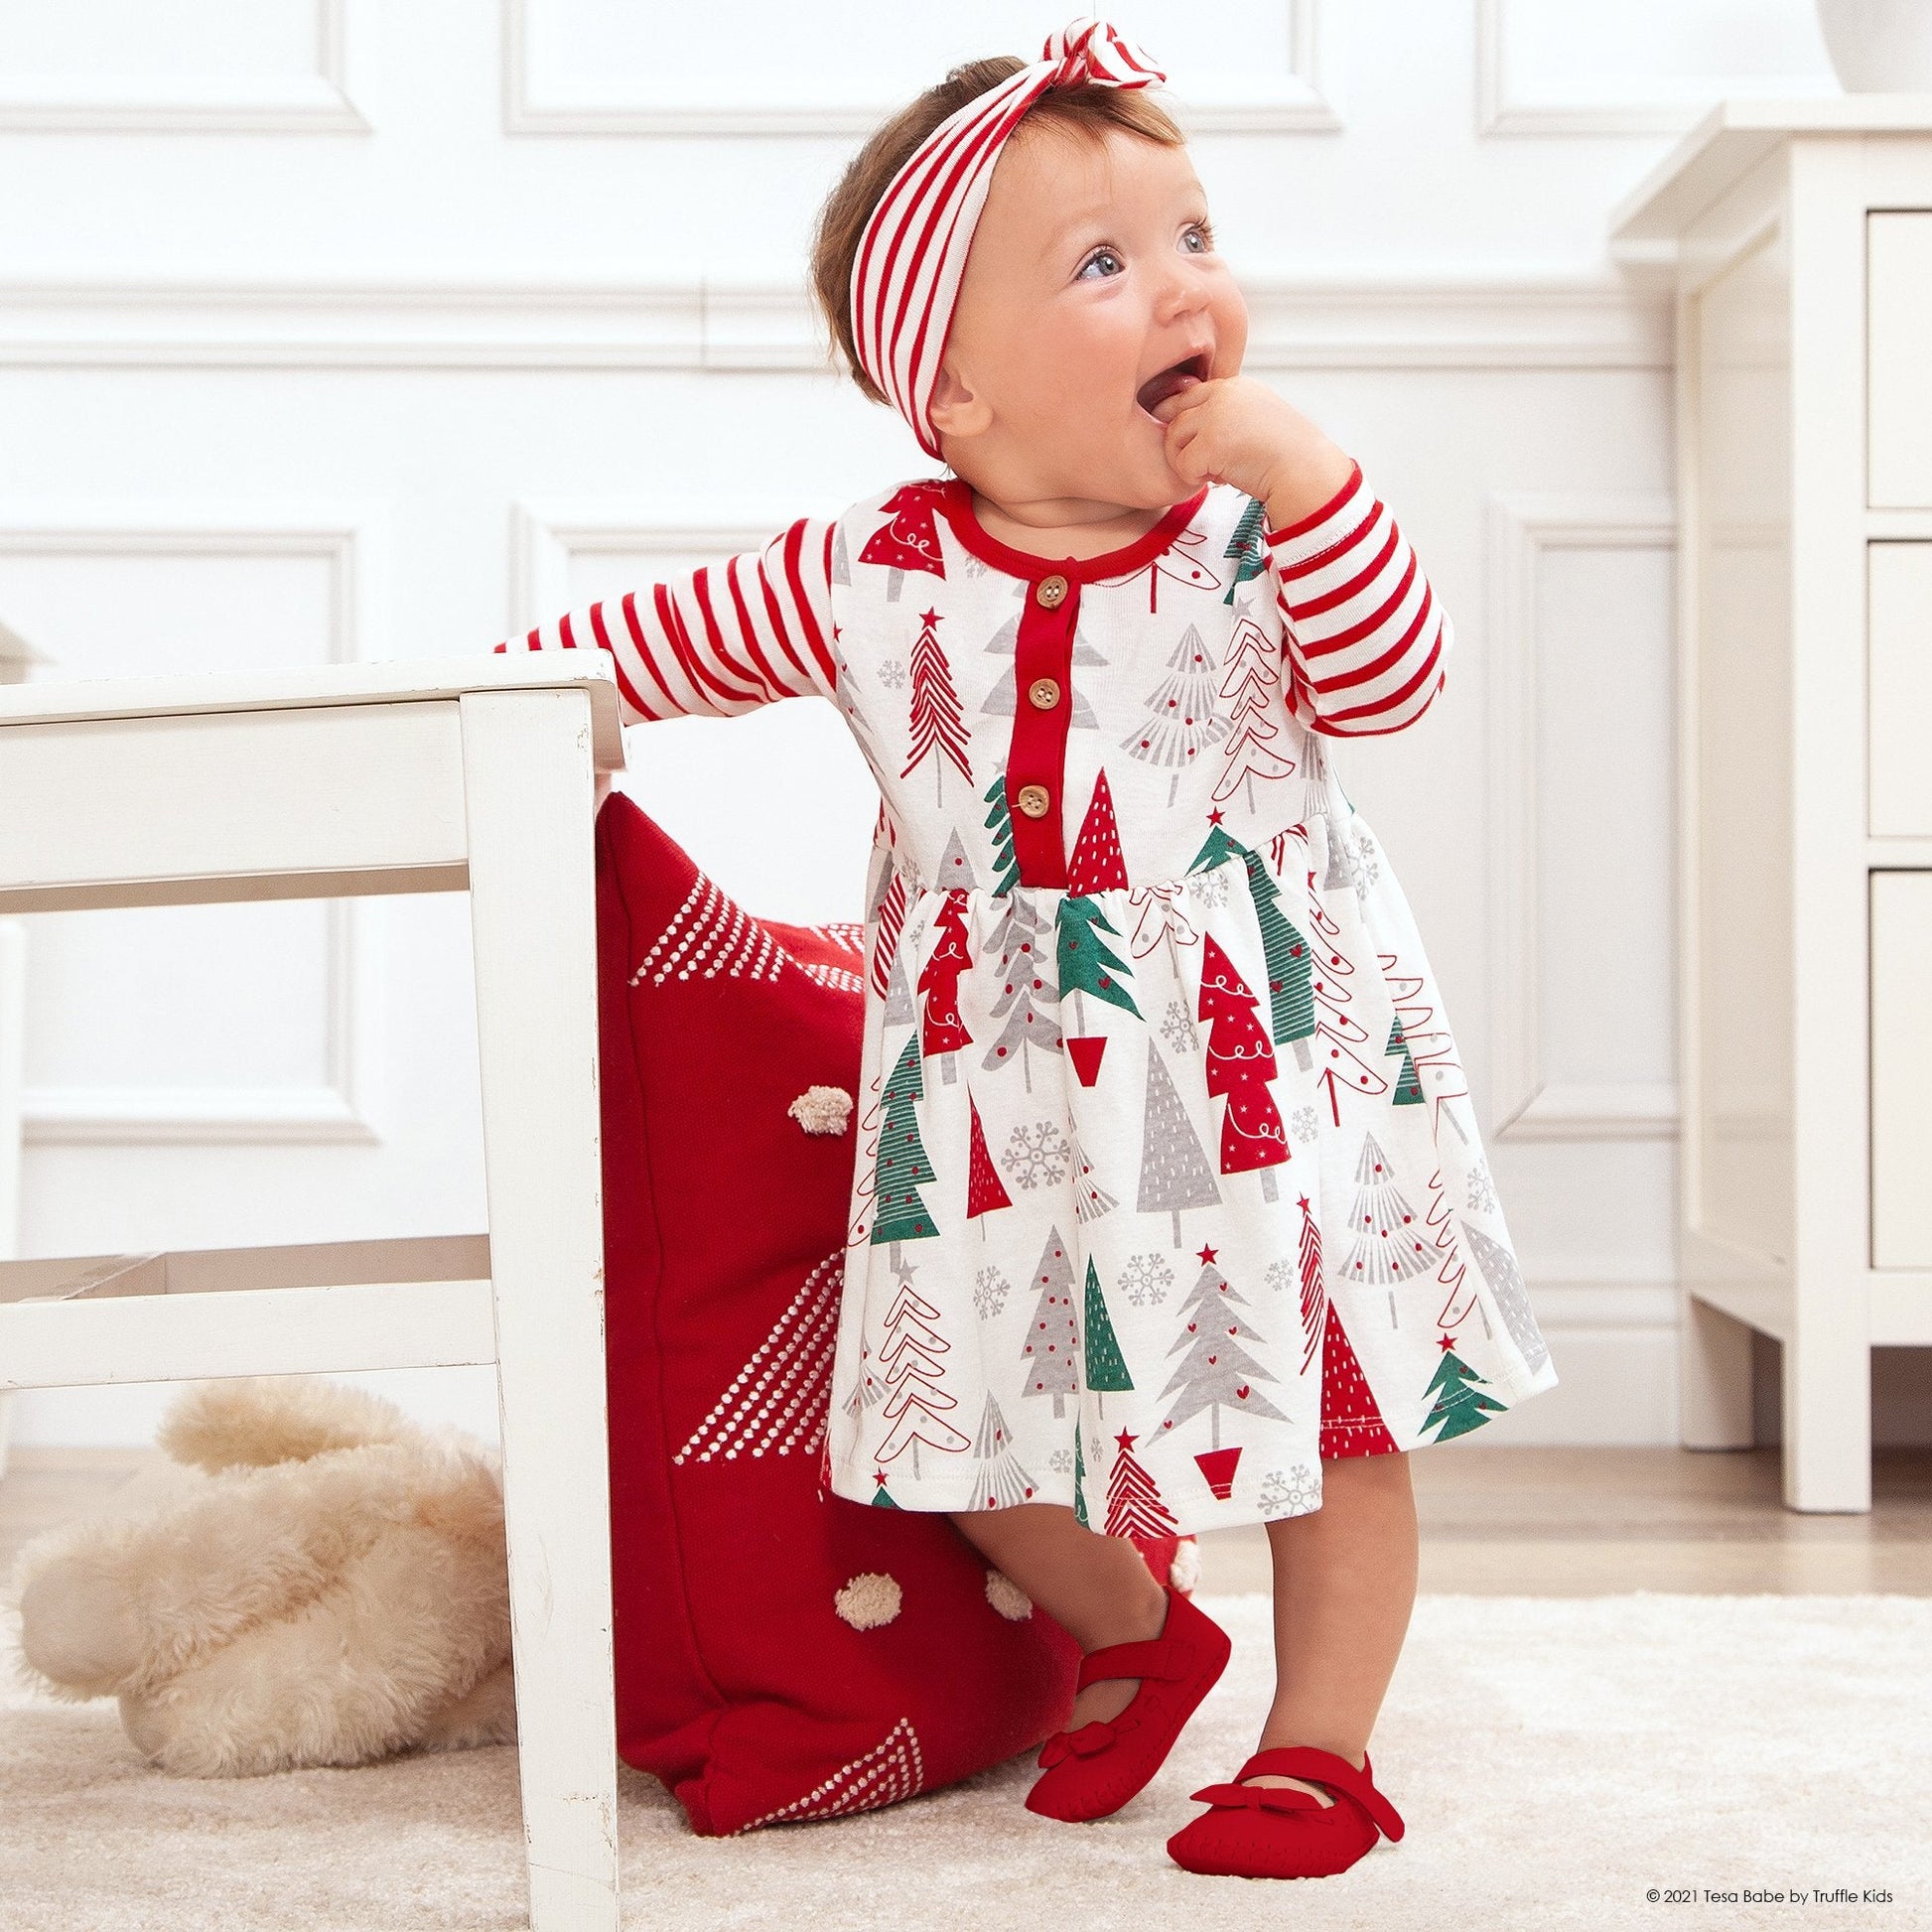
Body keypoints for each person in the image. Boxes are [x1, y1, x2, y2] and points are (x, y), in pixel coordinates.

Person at [497, 15, 1558, 1881]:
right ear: (953, 393)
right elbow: (606, 658)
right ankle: (1141, 1628)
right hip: (993, 1107)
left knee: (1329, 1426)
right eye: (1104, 263)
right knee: (959, 1427)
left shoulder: (1259, 539)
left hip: (1263, 1081)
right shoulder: (859, 573)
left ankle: (1317, 1748)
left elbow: (1398, 680)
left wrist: (1311, 479)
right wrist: (494, 725)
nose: (1184, 285)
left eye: (1195, 236)